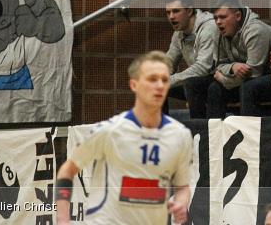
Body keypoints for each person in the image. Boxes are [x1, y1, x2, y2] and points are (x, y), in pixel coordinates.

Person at [55, 51, 192, 225]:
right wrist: (62, 218)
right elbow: (67, 171)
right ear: (134, 85)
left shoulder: (180, 135)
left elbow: (182, 188)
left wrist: (181, 201)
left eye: (165, 80)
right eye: (152, 79)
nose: (159, 85)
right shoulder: (110, 131)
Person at [206, 0, 271, 118]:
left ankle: (249, 135)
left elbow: (254, 73)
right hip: (242, 79)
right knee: (215, 88)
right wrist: (233, 67)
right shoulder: (218, 32)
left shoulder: (255, 30)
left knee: (248, 87)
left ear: (238, 16)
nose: (218, 22)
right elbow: (218, 65)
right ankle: (213, 134)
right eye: (215, 18)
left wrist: (224, 79)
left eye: (223, 17)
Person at [163, 0, 218, 119]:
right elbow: (169, 60)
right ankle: (160, 133)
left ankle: (199, 133)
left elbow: (203, 67)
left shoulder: (208, 27)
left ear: (189, 11)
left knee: (192, 84)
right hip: (199, 80)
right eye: (168, 12)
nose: (171, 17)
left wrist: (170, 80)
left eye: (176, 11)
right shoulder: (179, 33)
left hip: (218, 79)